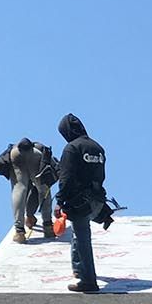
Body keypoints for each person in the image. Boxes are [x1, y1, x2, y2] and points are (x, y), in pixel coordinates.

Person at [56, 113, 107, 293]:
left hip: (79, 201)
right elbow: (101, 176)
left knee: (82, 237)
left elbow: (66, 178)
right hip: (97, 199)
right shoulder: (97, 147)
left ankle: (88, 281)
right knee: (79, 236)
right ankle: (79, 271)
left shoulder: (72, 148)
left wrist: (60, 200)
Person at [0, 138, 57, 243]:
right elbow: (55, 171)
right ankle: (48, 227)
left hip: (15, 153)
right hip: (36, 155)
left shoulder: (16, 149)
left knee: (19, 188)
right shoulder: (40, 151)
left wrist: (30, 216)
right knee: (43, 189)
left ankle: (19, 232)